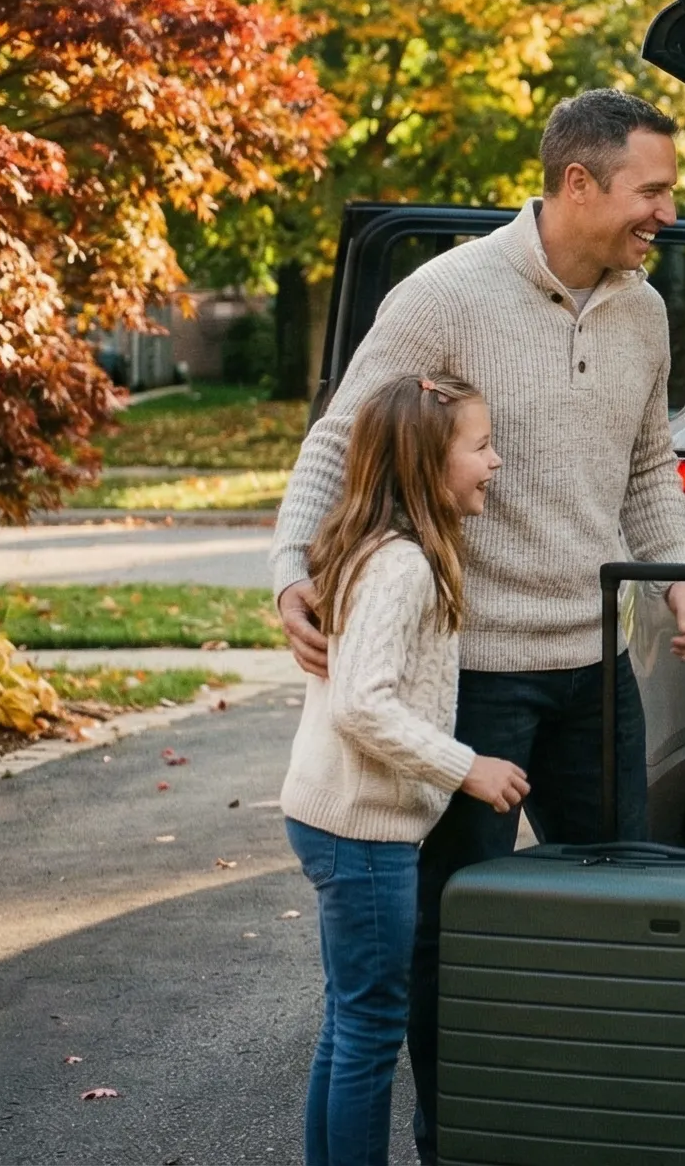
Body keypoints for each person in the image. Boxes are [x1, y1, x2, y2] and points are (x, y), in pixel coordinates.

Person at [266, 90, 685, 1164]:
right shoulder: (447, 295)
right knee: (449, 947)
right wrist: (288, 568)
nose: (665, 212)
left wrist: (678, 573)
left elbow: (650, 465)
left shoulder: (644, 308)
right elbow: (342, 440)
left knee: (616, 918)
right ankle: (453, 1142)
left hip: (594, 671)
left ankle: (582, 1128)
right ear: (577, 183)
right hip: (472, 683)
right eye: (650, 190)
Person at [278, 373, 530, 1166]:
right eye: (481, 447)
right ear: (428, 461)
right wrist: (469, 768)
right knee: (372, 1029)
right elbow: (362, 705)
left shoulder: (376, 548)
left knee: (349, 1022)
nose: (495, 463)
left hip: (335, 816)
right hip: (364, 829)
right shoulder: (403, 568)